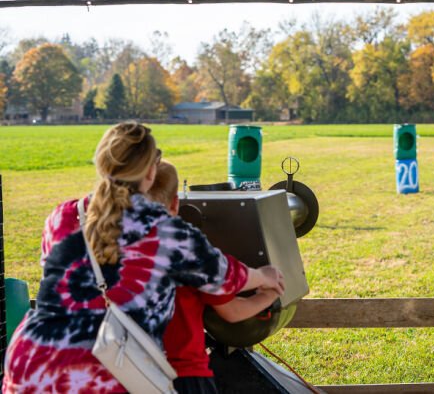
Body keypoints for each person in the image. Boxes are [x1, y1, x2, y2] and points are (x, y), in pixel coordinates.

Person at [2, 121, 284, 393]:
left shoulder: (61, 215)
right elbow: (226, 277)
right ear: (150, 171)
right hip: (100, 373)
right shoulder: (164, 229)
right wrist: (265, 277)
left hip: (29, 366)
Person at [148, 160, 283, 394]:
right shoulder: (186, 250)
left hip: (130, 369)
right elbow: (233, 312)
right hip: (185, 374)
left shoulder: (113, 240)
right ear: (175, 203)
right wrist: (269, 292)